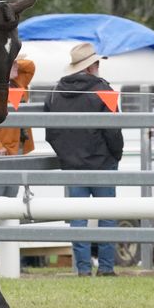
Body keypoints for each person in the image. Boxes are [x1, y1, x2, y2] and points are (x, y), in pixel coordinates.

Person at [44, 42, 124, 277]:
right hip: (102, 163)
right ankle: (107, 268)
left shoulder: (56, 92)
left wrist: (66, 156)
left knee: (77, 219)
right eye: (97, 63)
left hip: (72, 165)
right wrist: (115, 154)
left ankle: (83, 269)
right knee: (107, 218)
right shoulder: (103, 90)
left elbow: (51, 133)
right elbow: (113, 130)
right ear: (91, 67)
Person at [0, 55, 36, 198]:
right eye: (12, 64)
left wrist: (11, 60)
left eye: (16, 63)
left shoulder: (18, 82)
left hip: (16, 147)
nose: (17, 67)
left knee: (12, 194)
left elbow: (30, 65)